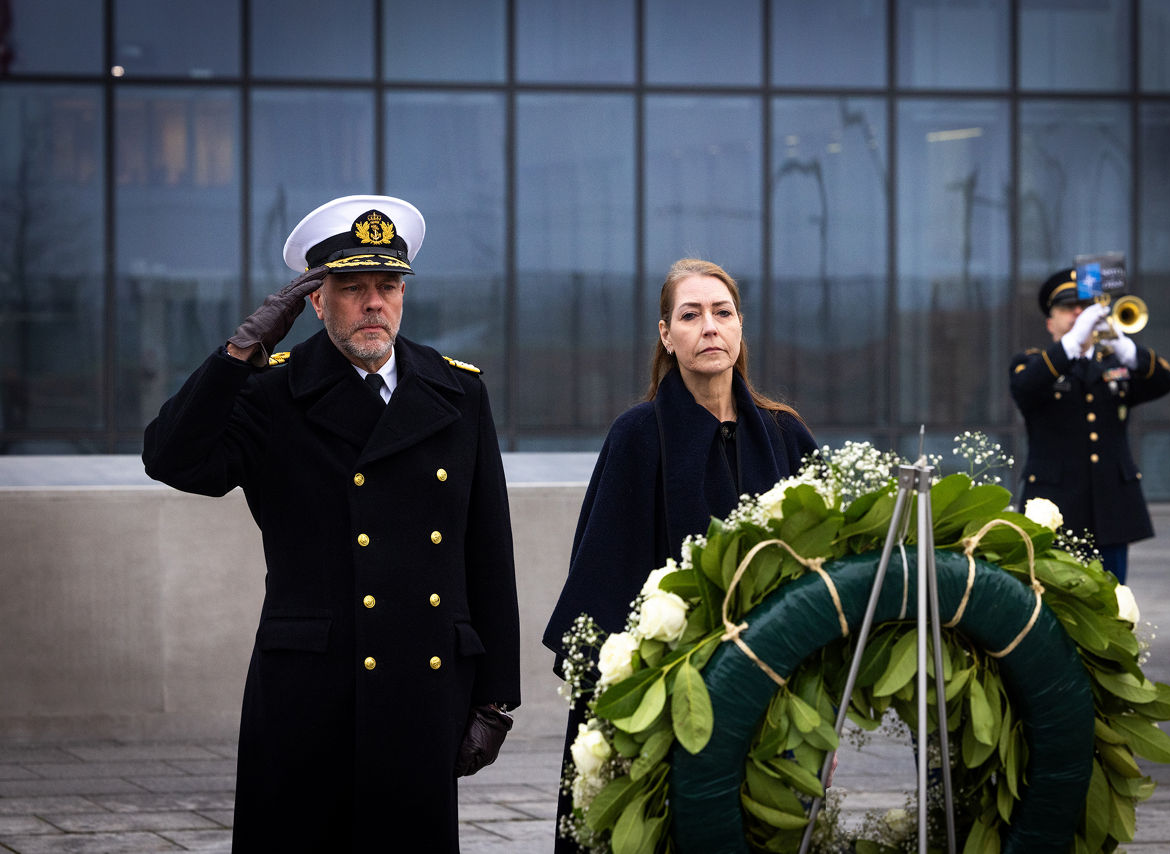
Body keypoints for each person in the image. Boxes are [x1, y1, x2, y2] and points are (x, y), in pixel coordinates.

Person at [142, 195, 520, 853]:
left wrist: (496, 698)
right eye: (352, 288)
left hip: (422, 688)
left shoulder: (459, 391)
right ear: (314, 302)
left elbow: (488, 547)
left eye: (388, 285)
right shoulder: (269, 391)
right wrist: (239, 353)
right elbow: (173, 459)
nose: (375, 303)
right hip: (309, 690)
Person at [542, 258, 818, 851]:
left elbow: (822, 578)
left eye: (722, 312)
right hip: (662, 701)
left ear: (741, 327)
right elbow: (601, 579)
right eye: (690, 315)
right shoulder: (636, 436)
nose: (709, 327)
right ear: (667, 335)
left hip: (766, 696)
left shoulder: (786, 433)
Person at [1010, 267, 1170, 584]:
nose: (1076, 312)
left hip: (1111, 511)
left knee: (1113, 605)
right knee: (1055, 607)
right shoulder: (1031, 363)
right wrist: (1073, 343)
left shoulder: (1114, 366)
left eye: (1084, 307)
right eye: (1066, 308)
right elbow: (1025, 388)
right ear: (1050, 322)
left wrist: (1127, 349)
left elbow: (1164, 382)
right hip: (1055, 512)